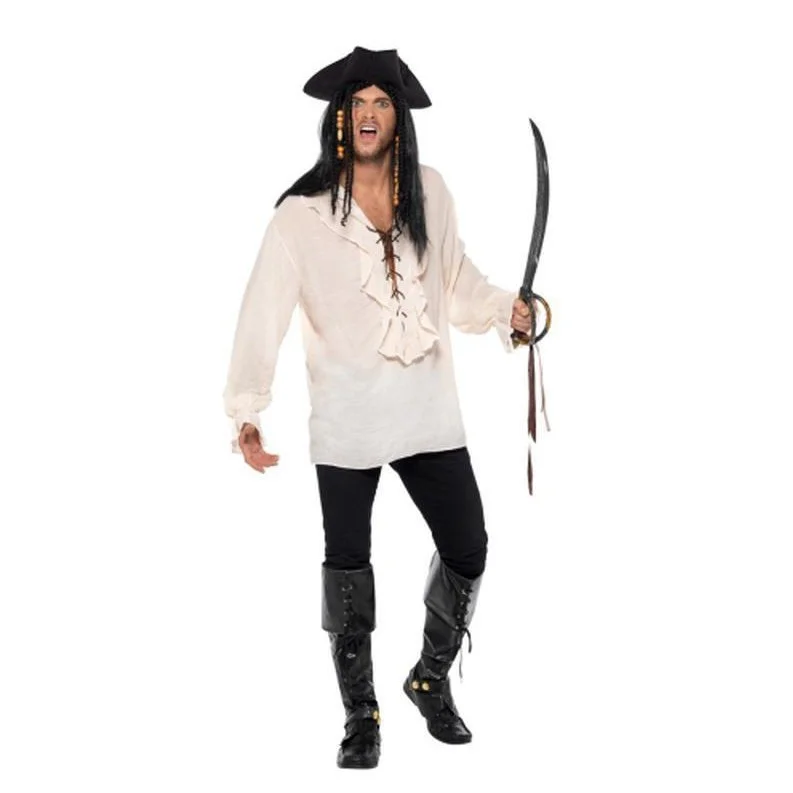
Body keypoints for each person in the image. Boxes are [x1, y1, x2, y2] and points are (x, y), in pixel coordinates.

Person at [222, 46, 534, 770]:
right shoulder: (300, 217)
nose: (368, 113)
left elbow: (457, 285)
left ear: (398, 119)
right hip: (348, 421)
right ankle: (360, 714)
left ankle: (429, 678)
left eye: (381, 103)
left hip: (426, 409)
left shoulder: (430, 192)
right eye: (357, 102)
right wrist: (247, 410)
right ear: (340, 118)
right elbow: (261, 313)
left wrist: (506, 312)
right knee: (347, 569)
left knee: (468, 546)